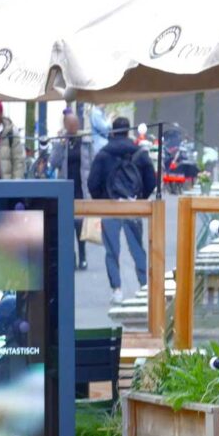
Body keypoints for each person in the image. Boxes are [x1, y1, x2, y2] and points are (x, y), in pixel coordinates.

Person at [87, 117, 156, 304]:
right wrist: (140, 198)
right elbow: (151, 180)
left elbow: (92, 182)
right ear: (128, 131)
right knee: (137, 248)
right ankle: (143, 287)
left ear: (112, 132)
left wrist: (101, 200)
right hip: (134, 207)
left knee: (112, 250)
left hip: (110, 206)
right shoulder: (139, 153)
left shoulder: (103, 154)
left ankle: (116, 289)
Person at [49, 110, 94, 269]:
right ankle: (71, 257)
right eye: (70, 124)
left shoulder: (86, 141)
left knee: (80, 225)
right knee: (67, 225)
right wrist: (60, 144)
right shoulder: (62, 141)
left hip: (81, 188)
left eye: (75, 123)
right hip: (66, 188)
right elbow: (53, 162)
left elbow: (92, 163)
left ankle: (83, 257)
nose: (73, 126)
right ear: (65, 125)